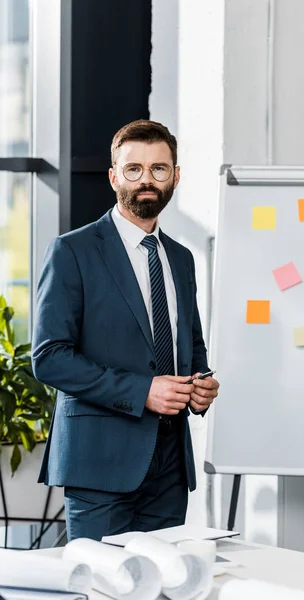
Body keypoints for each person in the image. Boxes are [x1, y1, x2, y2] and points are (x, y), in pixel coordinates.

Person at [32, 119, 219, 541]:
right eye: (133, 169)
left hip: (170, 466)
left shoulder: (182, 258)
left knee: (163, 587)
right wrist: (143, 391)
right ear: (114, 176)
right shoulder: (72, 251)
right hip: (99, 463)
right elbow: (48, 358)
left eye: (159, 168)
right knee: (102, 586)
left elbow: (189, 345)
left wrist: (200, 386)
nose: (146, 180)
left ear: (175, 177)